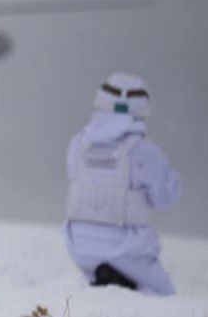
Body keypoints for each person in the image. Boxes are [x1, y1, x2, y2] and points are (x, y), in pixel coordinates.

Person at [62, 72, 182, 295]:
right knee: (163, 296)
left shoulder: (78, 144)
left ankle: (107, 281)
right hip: (127, 246)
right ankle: (123, 282)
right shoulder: (144, 151)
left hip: (79, 245)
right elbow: (164, 198)